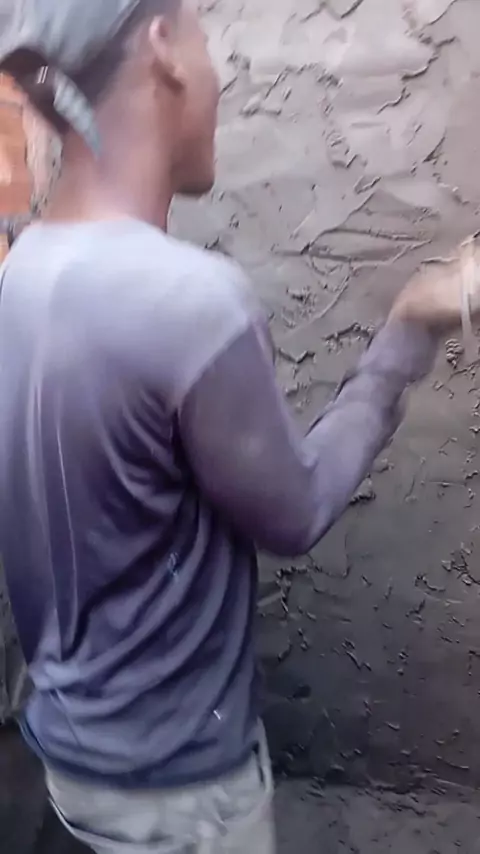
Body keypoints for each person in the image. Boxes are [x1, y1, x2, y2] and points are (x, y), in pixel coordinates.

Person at [0, 1, 476, 852]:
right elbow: (296, 513)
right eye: (204, 39)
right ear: (163, 48)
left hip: (71, 767)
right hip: (183, 799)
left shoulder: (23, 269)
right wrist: (409, 325)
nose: (218, 77)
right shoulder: (191, 301)